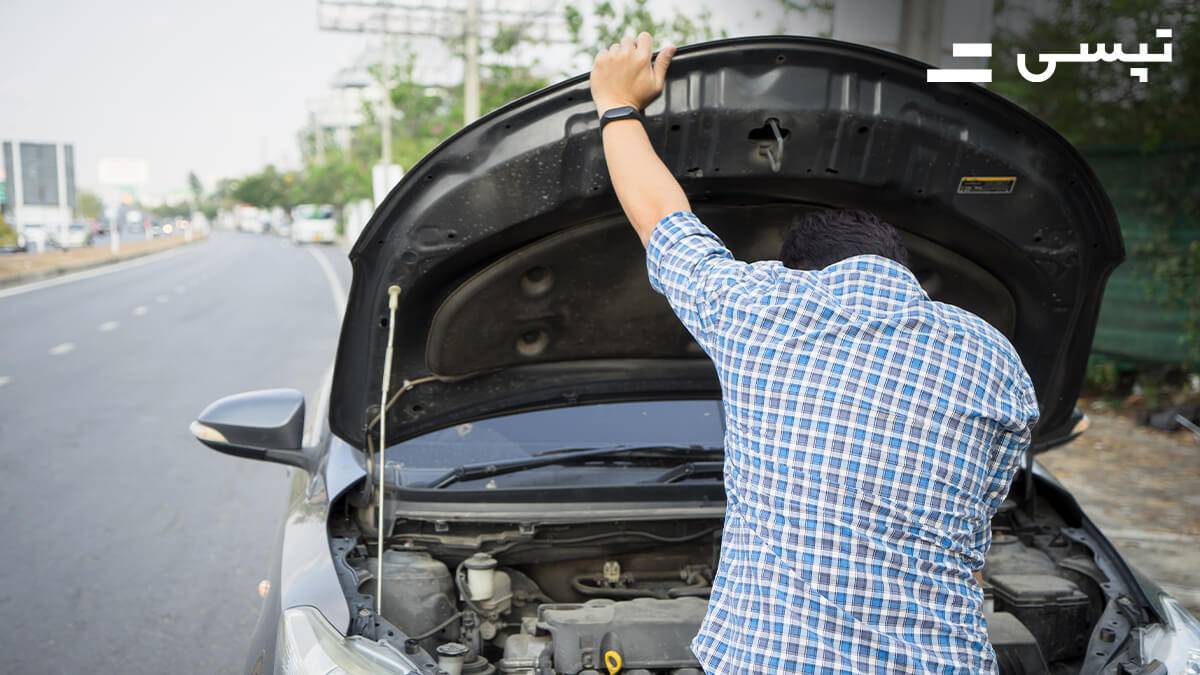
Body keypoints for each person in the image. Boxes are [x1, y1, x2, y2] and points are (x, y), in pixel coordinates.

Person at [590, 33, 1041, 673]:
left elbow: (663, 218)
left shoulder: (766, 310)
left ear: (799, 272)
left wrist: (615, 104)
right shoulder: (993, 353)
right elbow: (983, 504)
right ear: (900, 268)